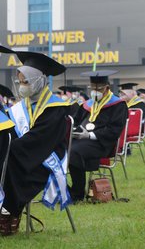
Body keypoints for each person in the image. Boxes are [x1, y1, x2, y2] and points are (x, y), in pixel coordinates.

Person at [0, 46, 70, 236]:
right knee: (5, 159)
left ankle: (8, 211)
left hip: (44, 159)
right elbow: (11, 131)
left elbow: (40, 140)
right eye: (20, 81)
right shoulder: (19, 107)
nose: (22, 85)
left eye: (26, 82)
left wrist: (8, 148)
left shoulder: (55, 108)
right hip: (23, 154)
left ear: (40, 81)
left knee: (8, 163)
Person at [68, 70, 128, 202]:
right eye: (92, 87)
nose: (95, 91)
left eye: (99, 88)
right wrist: (73, 130)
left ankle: (77, 194)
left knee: (73, 152)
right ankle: (63, 191)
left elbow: (114, 130)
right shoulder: (87, 104)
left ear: (107, 87)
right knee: (60, 148)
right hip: (81, 140)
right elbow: (75, 121)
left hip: (102, 143)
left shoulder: (118, 104)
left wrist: (89, 135)